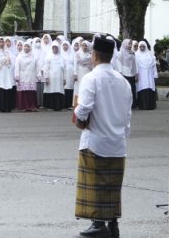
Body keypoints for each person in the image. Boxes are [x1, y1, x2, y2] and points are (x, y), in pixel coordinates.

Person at [73, 34, 132, 238]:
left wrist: (77, 118)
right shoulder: (124, 82)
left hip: (96, 140)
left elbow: (84, 108)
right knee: (112, 185)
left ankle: (98, 224)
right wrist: (122, 136)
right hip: (117, 143)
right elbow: (127, 116)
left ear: (95, 55)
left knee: (95, 184)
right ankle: (113, 224)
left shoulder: (91, 78)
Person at [0, 37, 15, 113]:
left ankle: (5, 107)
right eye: (0, 42)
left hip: (6, 73)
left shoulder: (7, 52)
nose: (1, 43)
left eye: (2, 42)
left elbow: (11, 63)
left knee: (6, 88)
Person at [41, 43, 67, 111]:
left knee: (59, 91)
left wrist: (64, 78)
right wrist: (46, 77)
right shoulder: (48, 57)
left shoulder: (62, 58)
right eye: (53, 48)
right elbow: (46, 68)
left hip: (59, 78)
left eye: (56, 48)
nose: (55, 49)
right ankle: (51, 107)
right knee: (52, 91)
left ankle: (59, 107)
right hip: (51, 77)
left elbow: (64, 69)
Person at [134, 40, 158, 110]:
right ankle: (142, 106)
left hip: (149, 75)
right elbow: (135, 66)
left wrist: (155, 74)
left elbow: (154, 66)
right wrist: (136, 74)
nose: (142, 47)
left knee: (149, 88)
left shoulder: (150, 55)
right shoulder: (136, 55)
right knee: (142, 88)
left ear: (146, 46)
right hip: (141, 75)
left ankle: (151, 106)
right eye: (140, 46)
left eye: (143, 46)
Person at [15, 42, 39, 112]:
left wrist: (38, 75)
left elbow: (37, 66)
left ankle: (31, 106)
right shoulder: (20, 56)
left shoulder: (34, 56)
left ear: (30, 48)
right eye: (25, 46)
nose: (26, 48)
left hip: (31, 76)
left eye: (28, 46)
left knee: (31, 92)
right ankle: (23, 107)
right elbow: (17, 67)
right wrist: (17, 76)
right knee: (23, 92)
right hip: (23, 76)